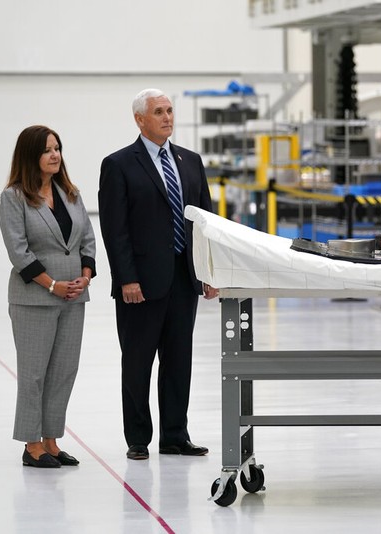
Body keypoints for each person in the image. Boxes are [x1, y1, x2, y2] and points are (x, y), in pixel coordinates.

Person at [99, 88, 219, 461]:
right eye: (158, 112)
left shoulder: (190, 161)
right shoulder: (119, 164)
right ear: (140, 120)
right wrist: (126, 279)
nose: (167, 117)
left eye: (169, 110)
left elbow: (204, 223)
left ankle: (174, 435)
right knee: (137, 361)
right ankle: (138, 438)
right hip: (141, 284)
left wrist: (207, 271)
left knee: (179, 360)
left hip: (183, 280)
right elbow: (114, 229)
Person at [0, 125, 96, 468]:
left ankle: (52, 440)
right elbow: (19, 252)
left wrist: (84, 277)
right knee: (34, 374)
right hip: (35, 299)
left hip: (73, 297)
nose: (55, 155)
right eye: (47, 150)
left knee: (63, 371)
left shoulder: (70, 193)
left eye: (57, 148)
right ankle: (32, 444)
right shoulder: (14, 197)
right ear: (31, 156)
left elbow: (87, 240)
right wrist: (53, 284)